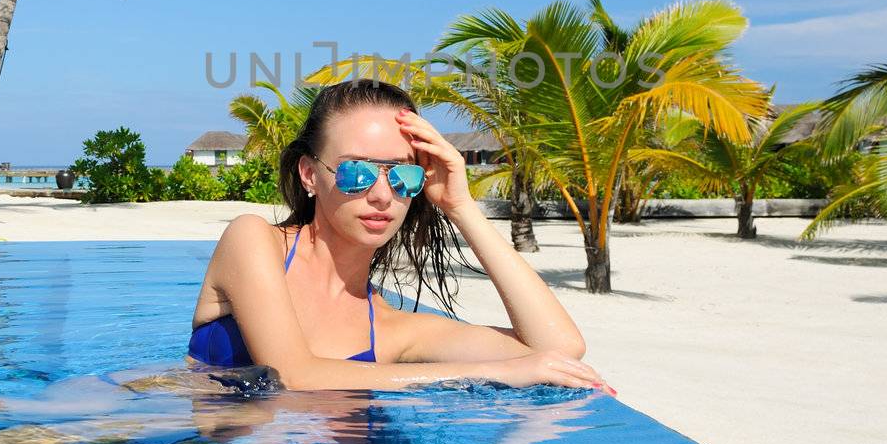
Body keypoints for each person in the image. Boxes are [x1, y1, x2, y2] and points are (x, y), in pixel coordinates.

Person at [187, 78, 613, 394]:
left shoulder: (390, 329)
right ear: (309, 174)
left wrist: (460, 207)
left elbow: (559, 348)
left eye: (403, 175)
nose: (381, 195)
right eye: (357, 171)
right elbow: (293, 376)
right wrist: (496, 372)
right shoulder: (254, 241)